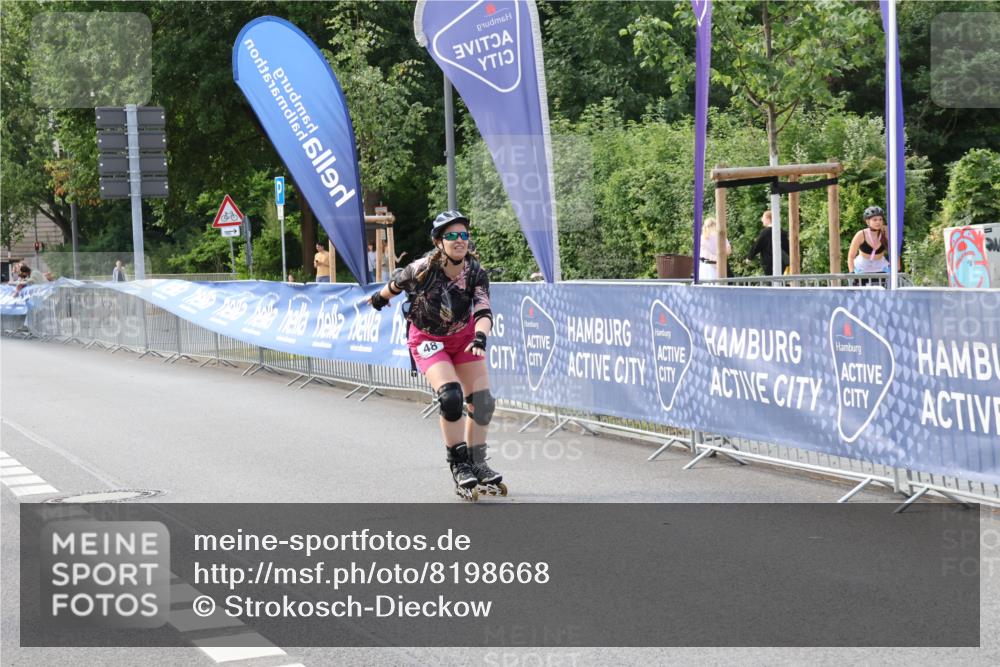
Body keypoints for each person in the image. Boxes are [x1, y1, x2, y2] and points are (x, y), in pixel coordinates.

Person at [366, 210, 501, 500]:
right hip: (428, 337)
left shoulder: (475, 272)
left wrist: (480, 335)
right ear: (439, 242)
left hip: (464, 337)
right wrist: (380, 299)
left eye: (463, 234)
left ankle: (477, 461)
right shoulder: (423, 267)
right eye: (451, 235)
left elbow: (483, 310)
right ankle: (458, 462)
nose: (459, 240)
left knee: (483, 402)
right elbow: (396, 284)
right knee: (451, 397)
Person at [848, 206, 891, 274]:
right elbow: (851, 256)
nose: (878, 222)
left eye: (880, 219)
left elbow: (895, 251)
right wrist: (852, 272)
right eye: (875, 220)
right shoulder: (861, 234)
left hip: (881, 266)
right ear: (868, 221)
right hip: (862, 268)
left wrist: (898, 269)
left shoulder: (886, 231)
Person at [747, 210, 789, 276]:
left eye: (763, 218)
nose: (762, 220)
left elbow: (757, 245)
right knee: (781, 280)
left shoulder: (765, 232)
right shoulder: (782, 232)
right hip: (782, 261)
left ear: (768, 219)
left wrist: (750, 257)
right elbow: (787, 247)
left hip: (769, 262)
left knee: (771, 281)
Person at [698, 217, 731, 281]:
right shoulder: (703, 239)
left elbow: (728, 250)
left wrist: (718, 257)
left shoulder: (720, 236)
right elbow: (705, 253)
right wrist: (719, 257)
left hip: (716, 264)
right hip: (709, 266)